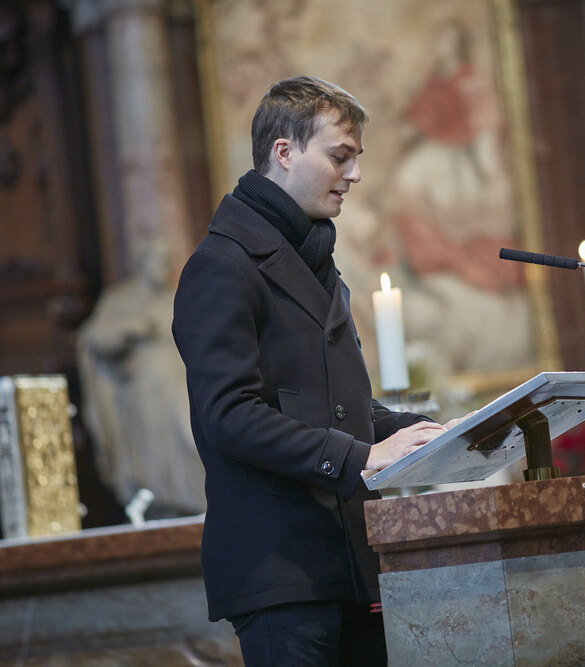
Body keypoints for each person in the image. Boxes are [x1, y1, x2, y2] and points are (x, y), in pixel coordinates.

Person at [172, 76, 459, 665]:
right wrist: (359, 457)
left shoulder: (313, 260)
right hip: (281, 571)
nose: (354, 174)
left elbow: (340, 408)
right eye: (340, 156)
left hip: (345, 562)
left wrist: (434, 434)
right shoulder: (221, 265)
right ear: (284, 151)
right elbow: (229, 415)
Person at [77, 239, 204, 517]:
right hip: (144, 391)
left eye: (167, 262)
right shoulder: (121, 300)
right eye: (157, 260)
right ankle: (162, 507)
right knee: (154, 455)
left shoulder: (176, 297)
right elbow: (95, 338)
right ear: (142, 263)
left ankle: (196, 506)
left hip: (182, 387)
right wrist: (128, 329)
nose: (162, 268)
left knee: (192, 444)